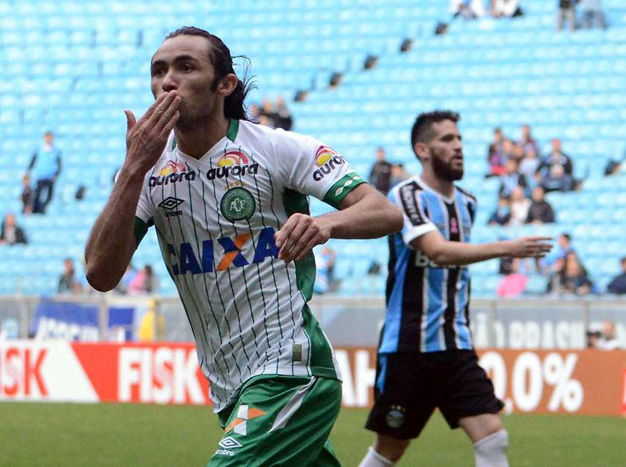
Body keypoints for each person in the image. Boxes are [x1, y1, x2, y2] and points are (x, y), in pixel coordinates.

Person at [84, 26, 402, 466]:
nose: (167, 81)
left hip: (291, 369)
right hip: (229, 385)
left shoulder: (279, 149)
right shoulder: (147, 173)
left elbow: (384, 211)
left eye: (185, 67)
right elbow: (100, 274)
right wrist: (133, 168)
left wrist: (325, 224)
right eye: (158, 71)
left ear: (225, 84)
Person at [359, 110, 551, 467]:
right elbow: (437, 251)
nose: (458, 146)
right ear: (423, 150)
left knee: (493, 436)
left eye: (459, 139)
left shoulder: (468, 203)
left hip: (455, 345)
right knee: (389, 451)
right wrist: (509, 247)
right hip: (408, 347)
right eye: (447, 140)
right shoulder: (407, 196)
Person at [27, 131, 62, 214]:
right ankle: (36, 210)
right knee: (38, 195)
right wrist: (28, 171)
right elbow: (33, 161)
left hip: (50, 177)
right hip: (41, 176)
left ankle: (43, 210)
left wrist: (56, 175)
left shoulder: (56, 151)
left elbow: (59, 165)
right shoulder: (39, 150)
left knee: (49, 196)